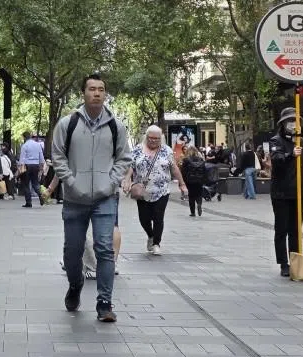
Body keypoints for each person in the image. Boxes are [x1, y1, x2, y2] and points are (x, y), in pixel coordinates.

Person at [52, 74, 132, 323]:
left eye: (101, 89)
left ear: (105, 94)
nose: (96, 93)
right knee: (72, 251)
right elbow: (58, 157)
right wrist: (72, 182)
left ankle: (104, 303)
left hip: (105, 198)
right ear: (83, 93)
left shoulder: (116, 126)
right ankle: (75, 285)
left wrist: (111, 182)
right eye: (91, 89)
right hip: (75, 199)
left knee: (104, 250)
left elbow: (124, 158)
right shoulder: (68, 124)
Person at [128, 125, 187, 255]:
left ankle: (156, 243)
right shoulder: (138, 149)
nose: (153, 140)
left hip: (161, 190)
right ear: (146, 137)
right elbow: (131, 166)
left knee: (158, 217)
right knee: (144, 218)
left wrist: (182, 184)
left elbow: (174, 168)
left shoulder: (166, 150)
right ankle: (150, 235)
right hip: (142, 191)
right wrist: (127, 179)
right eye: (151, 138)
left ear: (161, 138)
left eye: (156, 138)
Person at [269, 107, 303, 277]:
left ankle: (294, 259)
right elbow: (276, 161)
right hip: (281, 194)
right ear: (283, 123)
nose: (293, 124)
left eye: (295, 121)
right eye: (290, 121)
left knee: (296, 229)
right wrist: (290, 155)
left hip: (299, 193)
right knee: (282, 229)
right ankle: (283, 263)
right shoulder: (276, 141)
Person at [19, 131, 45, 207]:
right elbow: (41, 157)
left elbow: (22, 158)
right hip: (35, 165)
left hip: (27, 165)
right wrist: (41, 166)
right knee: (35, 183)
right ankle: (40, 195)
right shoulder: (37, 145)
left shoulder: (24, 146)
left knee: (26, 184)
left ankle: (28, 202)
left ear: (24, 137)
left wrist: (20, 168)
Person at [180, 147, 207, 216]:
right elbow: (204, 170)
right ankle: (199, 204)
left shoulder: (186, 160)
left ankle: (193, 212)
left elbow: (183, 171)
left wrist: (183, 181)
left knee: (191, 196)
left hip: (190, 180)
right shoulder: (201, 159)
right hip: (199, 180)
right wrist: (204, 179)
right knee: (199, 194)